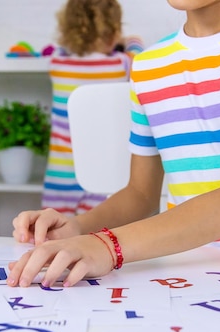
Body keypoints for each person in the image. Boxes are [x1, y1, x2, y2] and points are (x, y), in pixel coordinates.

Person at [9, 0, 220, 288]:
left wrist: (107, 246)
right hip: (189, 270)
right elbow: (140, 194)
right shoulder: (150, 64)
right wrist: (79, 227)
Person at [42, 0, 143, 216]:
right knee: (96, 235)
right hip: (105, 171)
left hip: (61, 173)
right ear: (113, 31)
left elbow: (61, 48)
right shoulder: (122, 64)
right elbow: (139, 51)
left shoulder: (57, 63)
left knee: (52, 230)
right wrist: (129, 40)